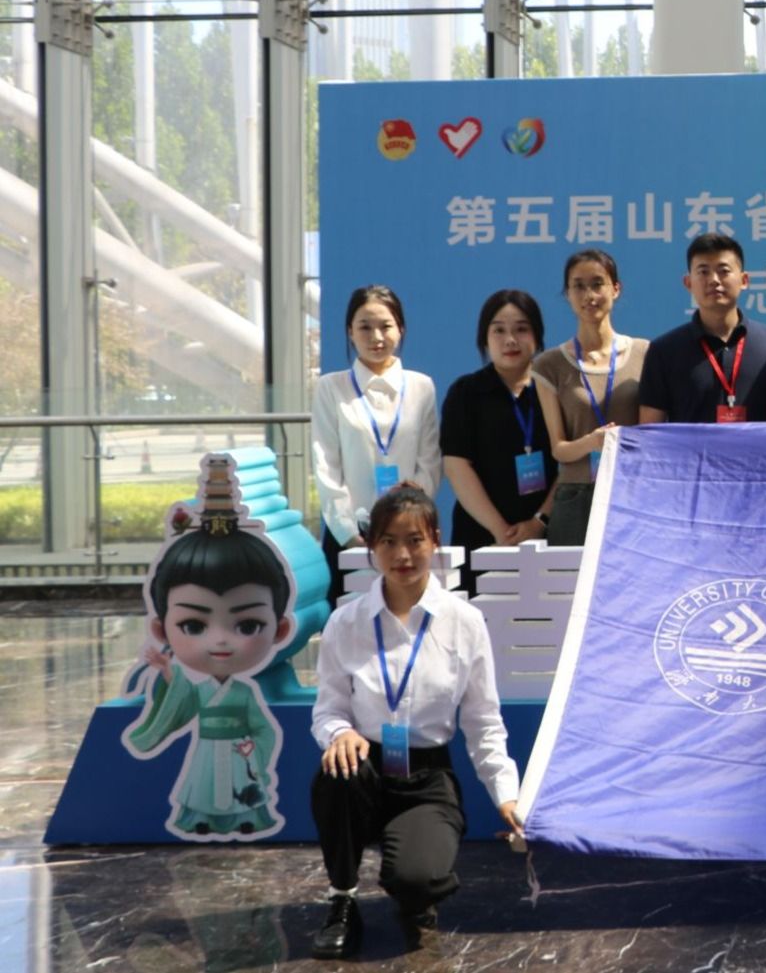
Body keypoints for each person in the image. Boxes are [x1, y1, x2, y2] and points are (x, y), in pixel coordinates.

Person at [308, 487, 521, 958]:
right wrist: (340, 733)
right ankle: (342, 899)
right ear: (371, 546)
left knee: (417, 879)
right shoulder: (346, 623)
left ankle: (414, 896)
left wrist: (507, 796)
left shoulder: (464, 622)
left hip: (426, 777)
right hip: (364, 767)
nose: (402, 555)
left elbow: (484, 722)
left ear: (435, 541)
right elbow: (328, 709)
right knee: (336, 774)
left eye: (414, 540)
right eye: (388, 541)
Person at [122, 458, 296, 841]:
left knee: (242, 789)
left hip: (238, 751)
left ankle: (245, 818)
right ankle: (201, 819)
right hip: (206, 748)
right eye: (194, 626)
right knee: (201, 787)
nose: (219, 641)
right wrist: (167, 671)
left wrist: (255, 751)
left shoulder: (245, 692)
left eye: (247, 625)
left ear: (280, 629)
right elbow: (181, 700)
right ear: (161, 628)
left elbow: (264, 730)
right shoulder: (199, 688)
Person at [313, 285, 442, 608]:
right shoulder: (331, 387)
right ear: (350, 332)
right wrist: (349, 535)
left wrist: (414, 505)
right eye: (365, 327)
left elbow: (429, 460)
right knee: (350, 626)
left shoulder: (421, 386)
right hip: (351, 537)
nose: (376, 337)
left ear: (401, 328)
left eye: (385, 326)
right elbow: (326, 464)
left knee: (410, 623)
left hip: (408, 536)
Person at [441, 290, 558, 577]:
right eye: (499, 330)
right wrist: (501, 531)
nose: (510, 340)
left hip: (547, 534)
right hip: (481, 536)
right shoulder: (466, 392)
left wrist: (539, 521)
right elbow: (456, 465)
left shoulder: (554, 390)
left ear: (538, 336)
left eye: (521, 329)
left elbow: (570, 464)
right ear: (484, 338)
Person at [533, 250, 646, 548]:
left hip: (632, 492)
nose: (589, 295)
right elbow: (559, 449)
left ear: (615, 289)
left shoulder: (644, 354)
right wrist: (592, 442)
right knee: (571, 578)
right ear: (567, 294)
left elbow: (653, 433)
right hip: (576, 497)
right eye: (578, 286)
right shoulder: (548, 365)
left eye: (598, 284)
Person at [638, 233, 766, 425]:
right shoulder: (664, 351)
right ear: (688, 283)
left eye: (723, 271)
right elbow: (650, 430)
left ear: (744, 280)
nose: (714, 280)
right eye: (703, 272)